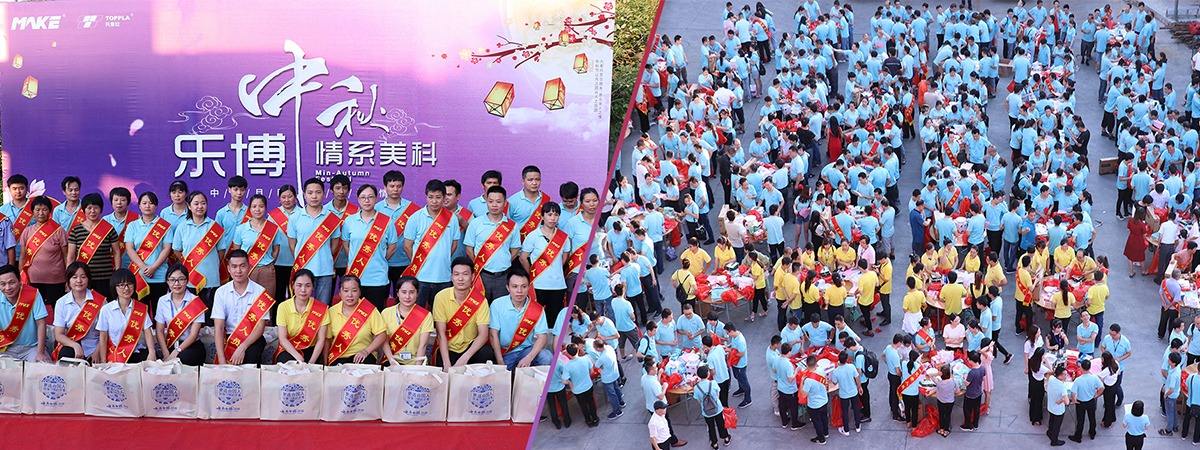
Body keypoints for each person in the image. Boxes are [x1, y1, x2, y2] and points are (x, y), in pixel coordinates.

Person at [340, 185, 399, 311]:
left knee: (376, 315)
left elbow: (392, 247)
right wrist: (355, 258)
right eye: (363, 197)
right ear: (358, 199)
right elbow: (346, 244)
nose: (367, 200)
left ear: (376, 198)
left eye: (370, 197)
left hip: (378, 278)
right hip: (355, 276)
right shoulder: (349, 221)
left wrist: (379, 258)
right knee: (354, 315)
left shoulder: (386, 221)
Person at [212, 249, 271, 366]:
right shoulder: (221, 292)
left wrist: (242, 347)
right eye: (234, 266)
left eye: (242, 266)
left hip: (252, 338)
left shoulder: (260, 291)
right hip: (229, 337)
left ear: (249, 267)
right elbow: (219, 327)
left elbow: (260, 327)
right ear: (228, 269)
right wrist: (222, 360)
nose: (238, 271)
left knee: (252, 353)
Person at [287, 178, 341, 305]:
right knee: (302, 306)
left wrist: (325, 256)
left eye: (318, 192)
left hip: (325, 270)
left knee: (322, 308)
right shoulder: (295, 217)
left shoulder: (332, 217)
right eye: (310, 193)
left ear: (324, 194)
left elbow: (335, 244)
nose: (314, 196)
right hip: (303, 269)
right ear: (304, 195)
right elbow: (292, 244)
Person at [433, 257, 494, 368]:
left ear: (472, 277)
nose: (460, 278)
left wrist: (465, 358)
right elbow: (441, 334)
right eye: (456, 274)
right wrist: (446, 363)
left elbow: (483, 334)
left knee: (487, 353)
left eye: (465, 274)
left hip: (470, 349)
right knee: (443, 368)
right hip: (448, 348)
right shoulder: (441, 297)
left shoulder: (480, 300)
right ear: (451, 277)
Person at [172, 191, 226, 314]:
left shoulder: (214, 226)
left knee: (210, 315)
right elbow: (176, 250)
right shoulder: (182, 226)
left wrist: (211, 263)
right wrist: (189, 264)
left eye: (203, 203)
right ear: (189, 206)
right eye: (196, 204)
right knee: (191, 314)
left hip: (211, 278)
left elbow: (221, 251)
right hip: (190, 278)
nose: (200, 206)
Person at [464, 185, 519, 302]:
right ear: (486, 202)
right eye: (491, 201)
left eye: (498, 202)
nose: (494, 205)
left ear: (505, 203)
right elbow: (469, 248)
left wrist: (504, 261)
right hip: (481, 275)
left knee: (500, 307)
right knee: (480, 307)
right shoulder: (476, 223)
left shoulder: (512, 226)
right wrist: (478, 265)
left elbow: (515, 250)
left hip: (503, 276)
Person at [489, 270, 551, 370]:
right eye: (515, 286)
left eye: (524, 286)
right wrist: (500, 361)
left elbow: (542, 337)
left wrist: (529, 358)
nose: (519, 291)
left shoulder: (537, 309)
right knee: (505, 376)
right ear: (508, 288)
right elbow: (493, 334)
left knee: (546, 356)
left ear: (529, 287)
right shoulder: (497, 304)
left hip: (526, 351)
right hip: (505, 352)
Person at [520, 202, 570, 322]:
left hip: (558, 285)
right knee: (535, 319)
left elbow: (565, 257)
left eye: (556, 215)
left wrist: (555, 268)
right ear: (542, 216)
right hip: (538, 285)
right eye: (549, 214)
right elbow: (523, 258)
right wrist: (532, 273)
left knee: (554, 320)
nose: (553, 218)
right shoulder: (533, 236)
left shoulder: (563, 237)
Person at [125, 192, 173, 313]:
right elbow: (129, 248)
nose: (147, 206)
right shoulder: (132, 225)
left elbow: (167, 249)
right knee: (139, 312)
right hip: (139, 275)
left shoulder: (165, 226)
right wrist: (142, 266)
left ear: (156, 206)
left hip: (159, 275)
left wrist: (154, 267)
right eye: (144, 203)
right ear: (139, 206)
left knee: (160, 312)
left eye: (151, 203)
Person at [67, 193, 120, 298]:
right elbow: (71, 256)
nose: (92, 211)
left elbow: (116, 252)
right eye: (89, 208)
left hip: (105, 277)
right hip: (82, 279)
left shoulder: (109, 229)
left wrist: (117, 274)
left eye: (96, 208)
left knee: (104, 305)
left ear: (101, 209)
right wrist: (69, 278)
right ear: (83, 210)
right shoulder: (76, 230)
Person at [230, 194, 282, 303]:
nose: (257, 209)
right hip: (247, 270)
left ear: (265, 208)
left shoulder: (273, 228)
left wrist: (269, 262)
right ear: (250, 208)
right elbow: (236, 251)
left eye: (261, 206)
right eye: (254, 206)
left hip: (267, 271)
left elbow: (276, 250)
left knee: (266, 303)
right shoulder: (241, 229)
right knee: (246, 302)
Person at [96, 269, 155, 363]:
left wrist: (152, 352)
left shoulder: (141, 308)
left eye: (129, 284)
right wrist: (103, 361)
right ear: (114, 287)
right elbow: (103, 337)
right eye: (121, 285)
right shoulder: (106, 310)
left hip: (137, 352)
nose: (126, 288)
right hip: (115, 354)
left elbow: (148, 331)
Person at [324, 276, 386, 365]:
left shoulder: (369, 310)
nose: (350, 295)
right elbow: (327, 340)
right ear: (340, 293)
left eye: (354, 290)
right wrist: (325, 363)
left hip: (363, 356)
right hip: (338, 356)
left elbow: (382, 334)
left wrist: (366, 351)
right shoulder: (331, 312)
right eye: (346, 291)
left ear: (360, 292)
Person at [153, 264, 206, 366]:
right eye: (172, 280)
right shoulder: (162, 300)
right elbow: (159, 330)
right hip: (170, 344)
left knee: (181, 360)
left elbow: (193, 335)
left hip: (190, 346)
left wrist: (176, 352)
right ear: (167, 281)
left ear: (187, 281)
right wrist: (165, 352)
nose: (176, 284)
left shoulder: (195, 302)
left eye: (181, 279)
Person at [19, 196, 67, 307]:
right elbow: (22, 256)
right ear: (32, 212)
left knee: (56, 310)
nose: (41, 213)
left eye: (44, 209)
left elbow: (66, 256)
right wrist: (20, 276)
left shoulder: (59, 231)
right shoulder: (27, 231)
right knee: (35, 309)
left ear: (50, 211)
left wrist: (68, 277)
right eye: (37, 210)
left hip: (56, 280)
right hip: (32, 280)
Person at [274, 269, 329, 364]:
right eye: (299, 285)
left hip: (312, 350)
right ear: (293, 285)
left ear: (313, 287)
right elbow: (282, 338)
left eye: (307, 286)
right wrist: (298, 358)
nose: (303, 290)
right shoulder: (283, 307)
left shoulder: (322, 309)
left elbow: (321, 340)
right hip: (290, 348)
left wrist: (311, 363)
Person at [51, 263, 101, 361]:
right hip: (71, 344)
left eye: (83, 277)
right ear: (68, 280)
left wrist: (97, 351)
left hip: (95, 346)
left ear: (88, 279)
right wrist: (75, 346)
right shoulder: (61, 303)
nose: (79, 281)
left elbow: (106, 333)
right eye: (74, 277)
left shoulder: (100, 301)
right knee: (66, 355)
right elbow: (59, 335)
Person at [379, 276, 432, 365]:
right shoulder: (386, 313)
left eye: (412, 292)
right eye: (404, 292)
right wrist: (392, 361)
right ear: (397, 293)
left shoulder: (426, 315)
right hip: (392, 360)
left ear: (417, 293)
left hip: (416, 361)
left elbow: (423, 346)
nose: (407, 296)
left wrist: (417, 367)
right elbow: (384, 341)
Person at [0, 264, 47, 361]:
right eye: (3, 284)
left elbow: (41, 324)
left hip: (31, 348)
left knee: (42, 367)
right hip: (5, 348)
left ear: (20, 281)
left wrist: (40, 353)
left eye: (12, 282)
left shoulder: (33, 294)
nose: (8, 288)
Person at [693, 365, 732, 449]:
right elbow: (718, 395)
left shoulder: (696, 388)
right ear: (708, 374)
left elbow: (698, 400)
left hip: (706, 412)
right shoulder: (713, 383)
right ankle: (726, 438)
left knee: (711, 427)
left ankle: (714, 444)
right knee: (721, 424)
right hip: (717, 408)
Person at [562, 342, 599, 427]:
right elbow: (592, 372)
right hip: (588, 385)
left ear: (568, 353)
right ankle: (595, 418)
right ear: (578, 350)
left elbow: (564, 381)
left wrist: (570, 383)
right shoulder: (586, 359)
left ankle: (588, 421)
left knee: (583, 405)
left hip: (577, 390)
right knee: (591, 402)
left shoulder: (567, 366)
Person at [1070, 358, 1104, 442]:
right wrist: (1096, 395)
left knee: (1080, 420)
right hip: (1091, 401)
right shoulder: (1094, 378)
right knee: (1092, 418)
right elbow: (1102, 388)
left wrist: (1074, 400)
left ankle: (1078, 437)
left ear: (1081, 368)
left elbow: (1073, 393)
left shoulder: (1078, 380)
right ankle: (1092, 433)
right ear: (1089, 368)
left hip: (1080, 403)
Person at [589, 338, 623, 419]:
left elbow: (596, 366)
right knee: (616, 389)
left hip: (607, 378)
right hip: (615, 373)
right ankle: (621, 402)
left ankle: (617, 411)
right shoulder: (609, 348)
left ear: (598, 348)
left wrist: (600, 368)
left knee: (612, 395)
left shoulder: (602, 358)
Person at [832, 350, 863, 435]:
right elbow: (857, 378)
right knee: (856, 409)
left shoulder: (836, 371)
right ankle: (857, 426)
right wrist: (859, 387)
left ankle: (846, 430)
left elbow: (834, 382)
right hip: (853, 392)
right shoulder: (851, 367)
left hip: (843, 394)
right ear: (846, 359)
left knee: (845, 412)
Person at [774, 342, 803, 430]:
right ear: (789, 352)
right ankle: (794, 424)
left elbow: (775, 369)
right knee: (794, 407)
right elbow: (790, 379)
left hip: (780, 387)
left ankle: (784, 422)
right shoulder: (788, 364)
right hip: (790, 390)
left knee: (782, 406)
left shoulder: (777, 359)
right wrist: (796, 371)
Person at [725, 323, 752, 408]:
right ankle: (741, 389)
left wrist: (729, 350)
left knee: (743, 380)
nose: (727, 335)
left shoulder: (740, 340)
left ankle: (748, 399)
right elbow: (734, 346)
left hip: (740, 364)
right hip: (735, 362)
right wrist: (729, 346)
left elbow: (741, 354)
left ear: (731, 331)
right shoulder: (734, 336)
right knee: (737, 377)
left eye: (727, 333)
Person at [1047, 366, 1070, 446]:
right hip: (1058, 410)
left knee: (1051, 421)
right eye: (1065, 374)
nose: (1066, 376)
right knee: (1057, 426)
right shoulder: (1062, 387)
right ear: (1060, 375)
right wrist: (1061, 400)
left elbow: (1048, 375)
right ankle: (1054, 441)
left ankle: (1049, 432)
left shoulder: (1051, 379)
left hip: (1050, 406)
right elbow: (1067, 402)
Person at [1160, 352, 1182, 436]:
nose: (1168, 360)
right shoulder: (1177, 368)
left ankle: (1168, 430)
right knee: (1174, 410)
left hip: (1171, 395)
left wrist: (1165, 394)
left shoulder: (1173, 375)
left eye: (1169, 360)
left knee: (1169, 413)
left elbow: (1171, 389)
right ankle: (1175, 426)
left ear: (1173, 363)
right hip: (1175, 394)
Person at [962, 351, 985, 431]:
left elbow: (966, 384)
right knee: (976, 409)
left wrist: (964, 378)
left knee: (967, 409)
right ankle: (975, 424)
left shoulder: (972, 372)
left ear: (972, 360)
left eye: (969, 359)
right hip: (978, 392)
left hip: (970, 394)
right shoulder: (982, 368)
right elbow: (983, 378)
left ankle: (968, 425)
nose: (968, 360)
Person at [935, 365, 958, 438]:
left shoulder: (939, 383)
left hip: (941, 401)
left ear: (941, 374)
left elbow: (931, 377)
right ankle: (946, 430)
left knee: (941, 415)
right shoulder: (953, 381)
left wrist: (937, 374)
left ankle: (941, 429)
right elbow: (957, 391)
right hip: (950, 402)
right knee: (948, 415)